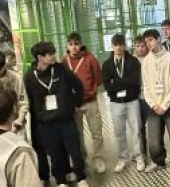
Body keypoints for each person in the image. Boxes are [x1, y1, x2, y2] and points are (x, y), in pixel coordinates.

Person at [25, 41, 93, 187]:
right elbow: (29, 103)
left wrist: (74, 104)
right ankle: (62, 183)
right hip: (47, 125)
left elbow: (78, 86)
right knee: (55, 156)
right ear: (40, 57)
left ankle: (81, 180)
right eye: (50, 54)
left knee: (75, 151)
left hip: (66, 120)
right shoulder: (29, 77)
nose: (54, 56)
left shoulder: (61, 70)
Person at [140, 28, 170, 178]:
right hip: (153, 106)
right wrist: (154, 104)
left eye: (151, 40)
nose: (148, 44)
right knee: (153, 138)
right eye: (146, 41)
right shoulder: (146, 61)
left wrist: (165, 105)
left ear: (158, 39)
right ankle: (159, 162)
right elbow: (146, 85)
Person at [63, 32, 106, 174]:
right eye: (70, 44)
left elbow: (98, 79)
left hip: (90, 102)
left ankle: (99, 159)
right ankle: (83, 160)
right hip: (74, 105)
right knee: (78, 134)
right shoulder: (64, 61)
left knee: (96, 132)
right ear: (67, 45)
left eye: (76, 44)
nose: (73, 47)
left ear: (81, 44)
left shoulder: (90, 59)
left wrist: (90, 92)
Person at [102, 34, 145, 172]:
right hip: (116, 103)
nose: (118, 48)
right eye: (116, 45)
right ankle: (122, 158)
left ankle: (139, 157)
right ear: (112, 46)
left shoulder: (133, 61)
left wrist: (117, 81)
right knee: (119, 132)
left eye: (121, 45)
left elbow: (135, 82)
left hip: (132, 101)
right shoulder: (107, 64)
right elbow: (107, 86)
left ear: (125, 46)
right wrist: (123, 82)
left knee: (136, 130)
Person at [133, 35, 151, 164]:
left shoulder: (152, 58)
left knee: (154, 126)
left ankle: (156, 152)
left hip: (151, 97)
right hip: (136, 98)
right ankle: (142, 152)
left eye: (142, 46)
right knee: (139, 127)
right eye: (137, 46)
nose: (140, 49)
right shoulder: (131, 60)